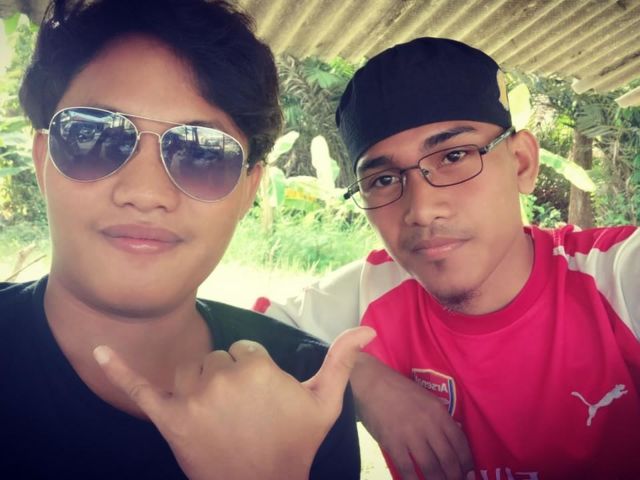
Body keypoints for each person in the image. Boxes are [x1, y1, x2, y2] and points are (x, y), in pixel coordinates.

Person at [0, 0, 374, 479]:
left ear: (248, 190)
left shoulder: (307, 388)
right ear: (43, 160)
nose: (145, 192)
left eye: (204, 153)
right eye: (94, 137)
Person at [255, 37, 640, 480]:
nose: (421, 210)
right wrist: (361, 377)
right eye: (383, 180)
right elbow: (232, 332)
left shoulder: (613, 278)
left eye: (454, 156)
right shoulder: (376, 291)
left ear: (521, 163)